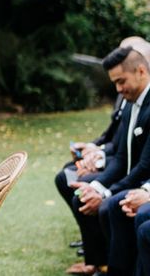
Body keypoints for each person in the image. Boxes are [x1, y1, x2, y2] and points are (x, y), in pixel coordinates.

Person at [67, 46, 150, 275]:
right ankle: (100, 265)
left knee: (114, 205)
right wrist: (96, 187)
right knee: (83, 191)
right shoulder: (130, 104)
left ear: (141, 71)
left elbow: (144, 165)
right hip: (132, 180)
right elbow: (122, 157)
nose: (118, 89)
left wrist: (106, 193)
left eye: (121, 81)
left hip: (143, 181)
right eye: (115, 83)